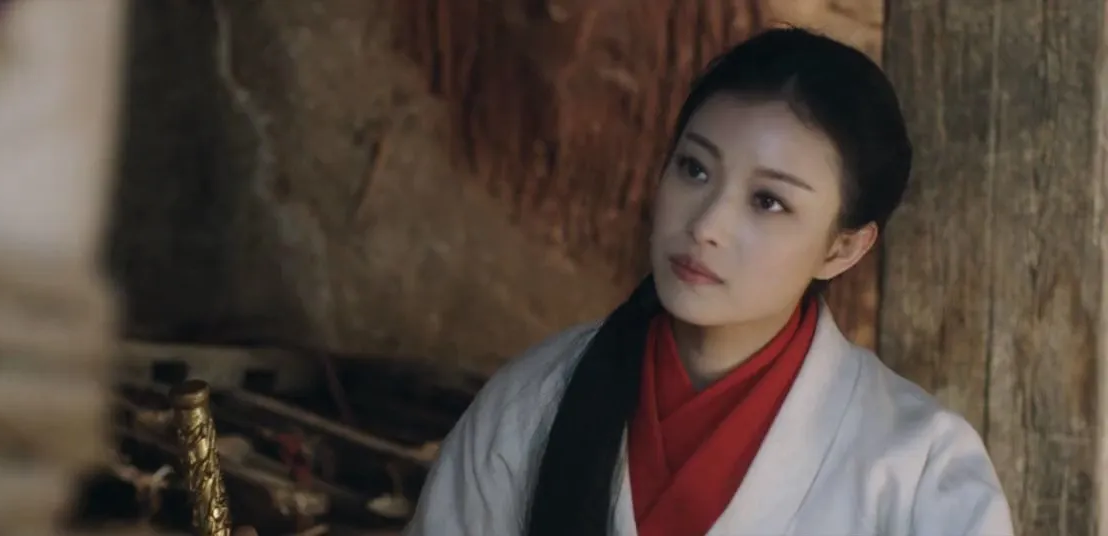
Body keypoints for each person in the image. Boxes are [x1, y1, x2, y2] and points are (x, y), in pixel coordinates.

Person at [403, 27, 1014, 536]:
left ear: (842, 248)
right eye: (694, 169)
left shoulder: (919, 467)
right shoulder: (532, 403)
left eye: (768, 201)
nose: (707, 225)